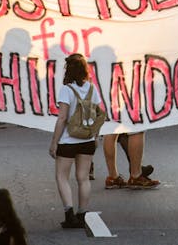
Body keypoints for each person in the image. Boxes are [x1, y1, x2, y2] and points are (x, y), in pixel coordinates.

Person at [51, 52, 104, 228]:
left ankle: (69, 214)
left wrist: (54, 142)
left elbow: (62, 118)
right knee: (83, 178)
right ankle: (82, 215)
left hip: (68, 140)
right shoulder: (91, 88)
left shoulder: (66, 89)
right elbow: (98, 113)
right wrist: (95, 136)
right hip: (87, 139)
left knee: (62, 177)